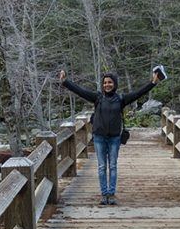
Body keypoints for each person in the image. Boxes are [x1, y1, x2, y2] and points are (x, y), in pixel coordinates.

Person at [59, 68, 161, 205]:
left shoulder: (121, 99)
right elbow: (80, 91)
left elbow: (138, 93)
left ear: (115, 84)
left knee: (112, 166)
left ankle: (111, 194)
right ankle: (104, 194)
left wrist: (153, 83)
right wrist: (65, 82)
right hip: (99, 137)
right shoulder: (97, 98)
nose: (107, 84)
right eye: (105, 82)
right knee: (102, 166)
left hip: (114, 138)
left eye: (110, 82)